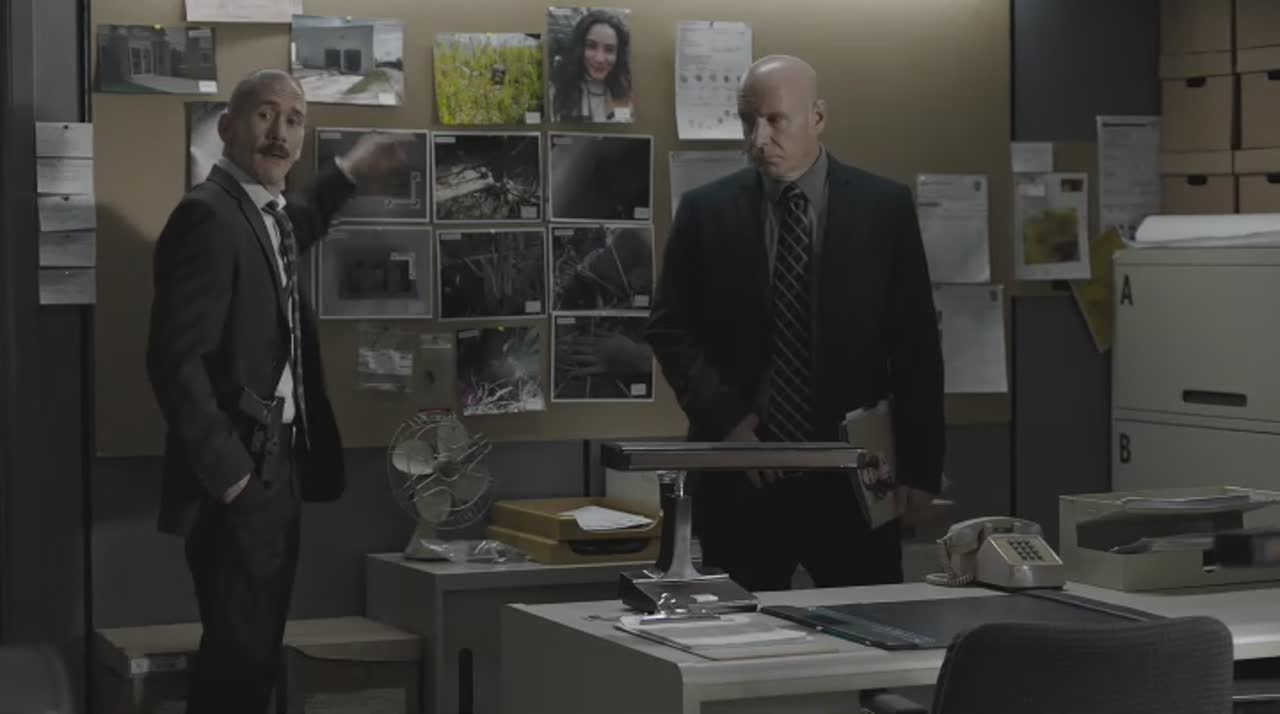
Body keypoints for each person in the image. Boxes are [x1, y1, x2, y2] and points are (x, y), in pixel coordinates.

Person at [145, 68, 407, 714]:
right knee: (238, 662)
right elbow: (174, 360)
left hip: (275, 466)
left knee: (254, 655)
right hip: (243, 473)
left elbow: (300, 221)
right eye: (265, 115)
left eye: (293, 121)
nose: (279, 134)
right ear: (227, 127)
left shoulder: (264, 212)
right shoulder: (208, 216)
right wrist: (231, 475)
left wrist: (349, 171)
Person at [646, 55, 945, 592]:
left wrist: (921, 469)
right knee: (738, 633)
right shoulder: (706, 211)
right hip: (744, 475)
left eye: (775, 120)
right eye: (748, 121)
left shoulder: (884, 209)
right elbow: (669, 328)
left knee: (866, 628)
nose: (758, 138)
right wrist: (728, 422)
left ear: (818, 118)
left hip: (854, 480)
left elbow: (916, 345)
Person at [549, 8, 634, 122]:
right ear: (578, 48)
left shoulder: (626, 90)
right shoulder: (557, 90)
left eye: (609, 50)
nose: (600, 59)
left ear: (618, 54)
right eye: (591, 46)